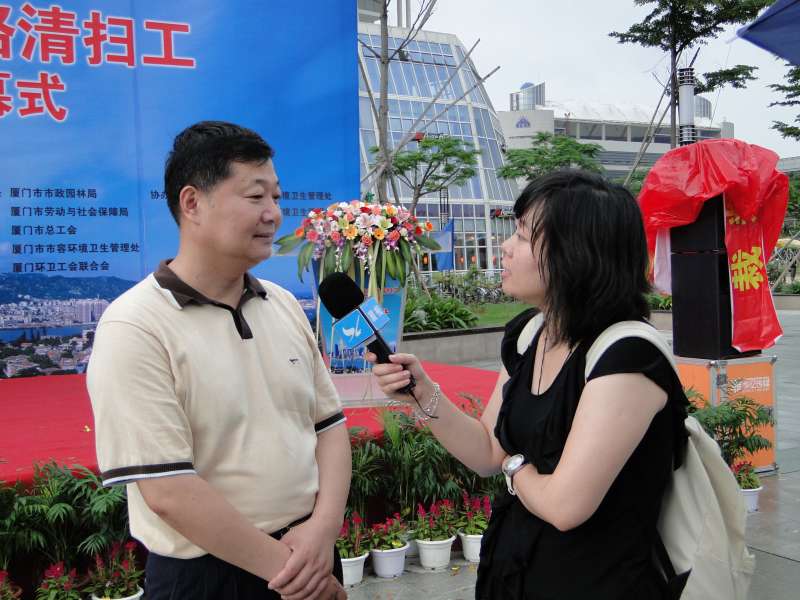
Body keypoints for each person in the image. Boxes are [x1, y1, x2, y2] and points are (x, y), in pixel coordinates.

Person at [369, 170, 689, 599]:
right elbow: (488, 451)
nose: (505, 246)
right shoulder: (531, 333)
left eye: (522, 235)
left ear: (575, 253)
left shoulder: (627, 356)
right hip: (514, 572)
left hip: (598, 584)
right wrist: (422, 393)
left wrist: (514, 467)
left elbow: (564, 506)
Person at [87, 121, 350, 600]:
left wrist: (324, 529)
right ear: (192, 203)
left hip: (309, 551)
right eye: (255, 197)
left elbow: (328, 426)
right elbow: (169, 493)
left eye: (276, 196)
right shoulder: (135, 325)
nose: (274, 214)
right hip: (210, 577)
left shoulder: (283, 304)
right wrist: (300, 577)